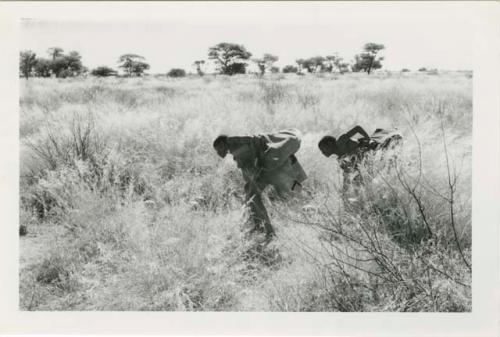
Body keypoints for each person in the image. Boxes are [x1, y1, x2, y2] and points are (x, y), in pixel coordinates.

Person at [213, 128, 307, 241]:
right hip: (271, 167)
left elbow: (250, 165)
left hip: (269, 168)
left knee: (254, 195)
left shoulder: (234, 143)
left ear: (223, 143)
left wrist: (250, 177)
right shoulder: (237, 146)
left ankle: (266, 230)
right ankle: (263, 227)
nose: (218, 153)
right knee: (290, 189)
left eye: (218, 149)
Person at [318, 125, 402, 190]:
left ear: (329, 145)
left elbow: (357, 128)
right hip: (365, 159)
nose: (322, 153)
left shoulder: (341, 142)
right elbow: (347, 175)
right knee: (357, 182)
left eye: (323, 149)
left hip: (369, 148)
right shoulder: (341, 159)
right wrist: (344, 190)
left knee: (387, 155)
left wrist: (368, 139)